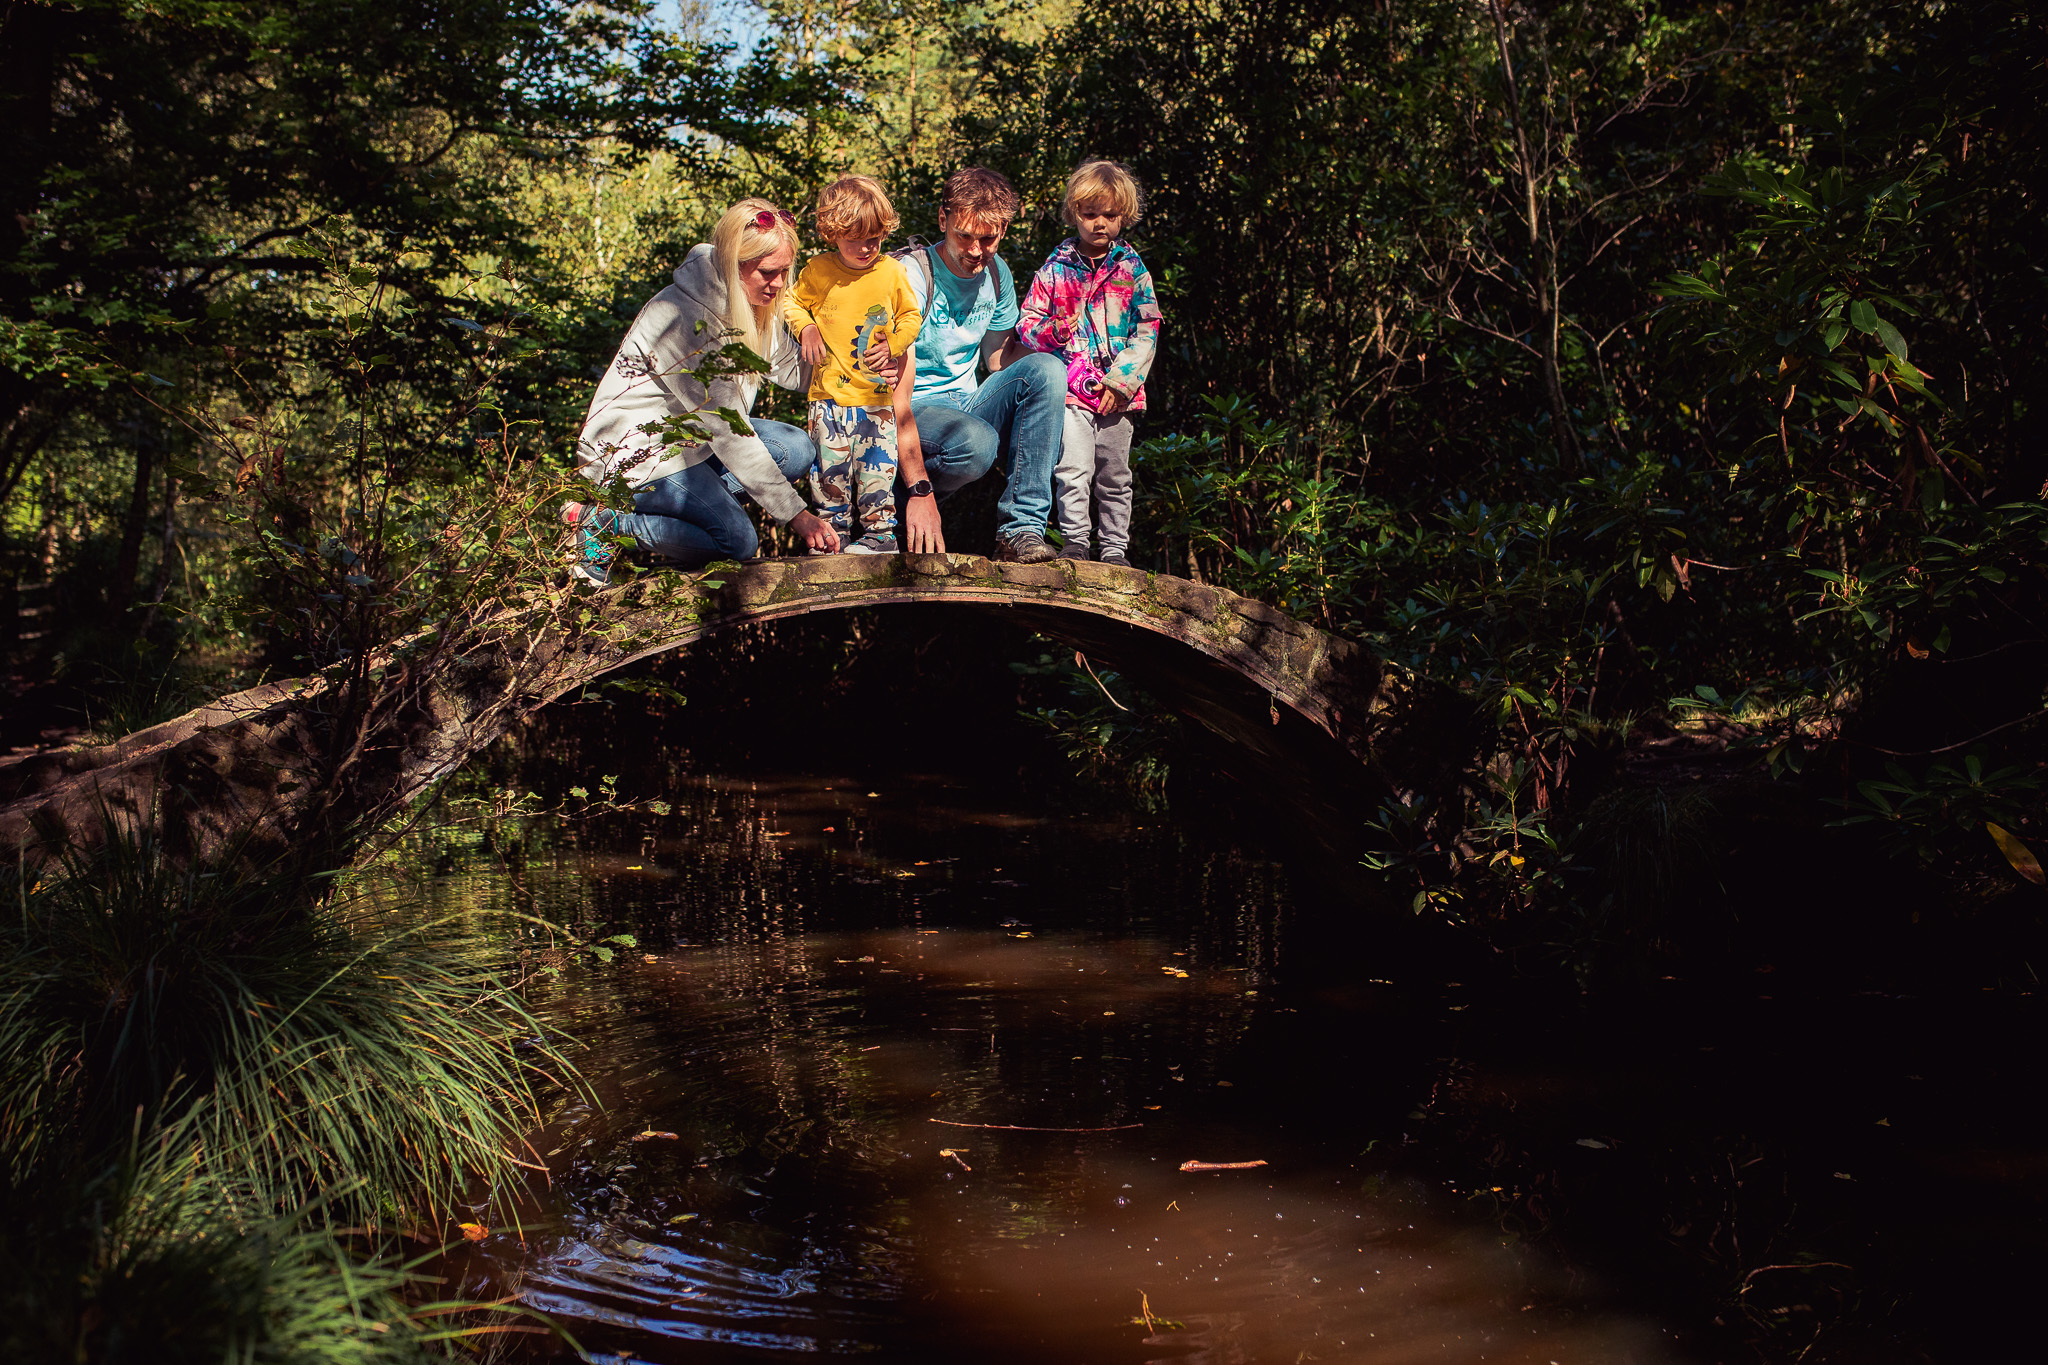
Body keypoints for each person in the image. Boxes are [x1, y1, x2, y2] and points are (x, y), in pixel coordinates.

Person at [564, 197, 837, 584]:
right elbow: (729, 432)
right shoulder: (682, 317)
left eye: (784, 272)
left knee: (794, 449)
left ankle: (689, 518)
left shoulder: (753, 302)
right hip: (637, 458)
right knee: (736, 544)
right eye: (767, 273)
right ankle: (601, 523)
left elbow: (795, 371)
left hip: (691, 445)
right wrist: (796, 514)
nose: (778, 284)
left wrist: (857, 366)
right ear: (733, 264)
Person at [886, 167, 1066, 563]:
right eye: (963, 235)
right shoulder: (910, 275)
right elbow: (891, 390)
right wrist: (919, 488)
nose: (974, 250)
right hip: (911, 406)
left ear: (1003, 230)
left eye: (988, 239)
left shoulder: (997, 274)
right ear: (942, 219)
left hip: (967, 404)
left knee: (1048, 369)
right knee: (977, 443)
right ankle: (894, 505)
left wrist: (1061, 352)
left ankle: (1021, 530)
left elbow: (999, 358)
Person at [1017, 160, 1162, 569]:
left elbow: (1147, 329)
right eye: (1090, 213)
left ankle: (1115, 548)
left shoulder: (1132, 269)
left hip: (1119, 396)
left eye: (1110, 215)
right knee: (1072, 468)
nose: (1100, 223)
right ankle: (1076, 541)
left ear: (1125, 216)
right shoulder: (1055, 268)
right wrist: (1054, 332)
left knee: (1115, 474)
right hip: (1070, 389)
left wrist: (1123, 382)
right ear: (1073, 213)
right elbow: (1026, 323)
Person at [780, 175, 925, 555]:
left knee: (877, 470)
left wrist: (894, 345)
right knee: (828, 474)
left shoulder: (891, 272)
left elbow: (911, 316)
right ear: (833, 232)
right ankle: (832, 538)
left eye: (874, 238)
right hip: (827, 399)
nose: (866, 248)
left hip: (875, 399)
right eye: (855, 239)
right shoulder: (818, 271)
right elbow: (791, 303)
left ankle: (881, 536)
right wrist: (807, 327)